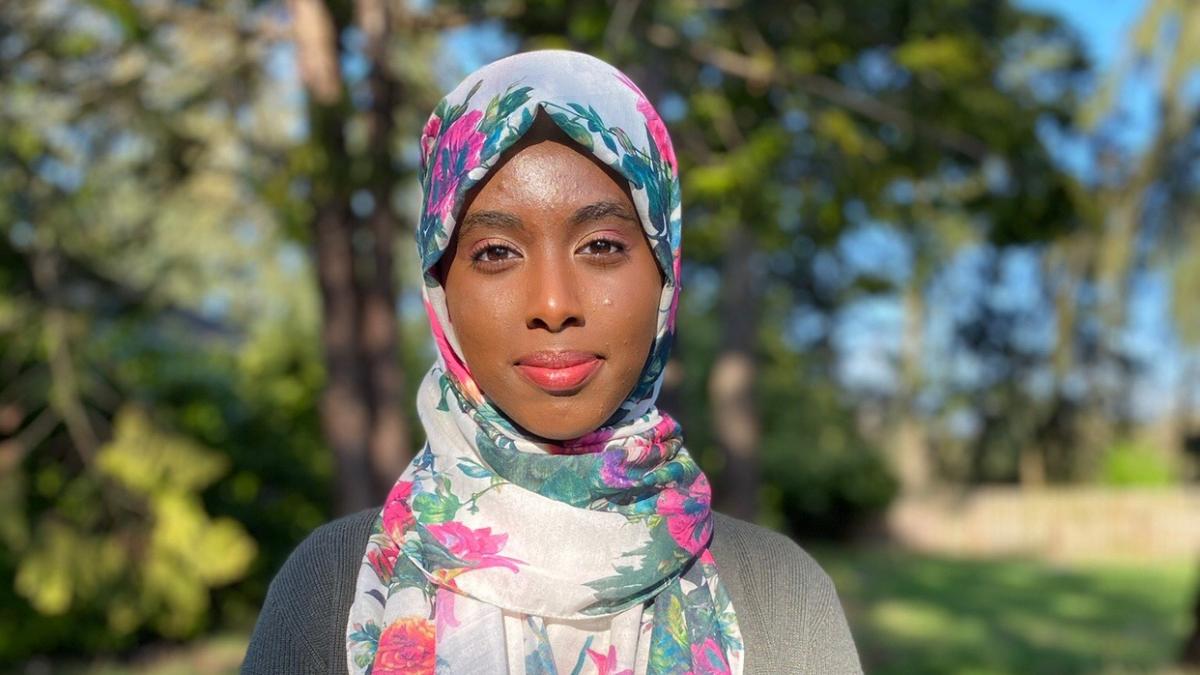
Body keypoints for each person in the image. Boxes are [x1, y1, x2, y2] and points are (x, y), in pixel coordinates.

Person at [242, 49, 861, 675]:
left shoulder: (782, 599)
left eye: (601, 246)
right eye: (496, 252)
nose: (554, 304)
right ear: (440, 288)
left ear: (664, 275)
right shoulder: (328, 589)